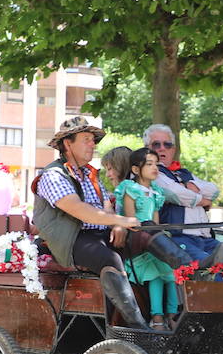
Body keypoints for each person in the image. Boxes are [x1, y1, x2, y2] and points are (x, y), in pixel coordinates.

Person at [32, 116, 190, 331]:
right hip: (71, 242)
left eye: (93, 140)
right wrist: (120, 220)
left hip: (100, 234)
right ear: (68, 144)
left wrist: (116, 224)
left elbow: (105, 204)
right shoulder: (53, 175)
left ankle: (194, 272)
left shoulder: (90, 174)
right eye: (86, 139)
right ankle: (137, 328)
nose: (92, 144)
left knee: (145, 228)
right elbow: (80, 210)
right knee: (111, 258)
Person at [142, 124, 223, 271]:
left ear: (173, 149)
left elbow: (214, 190)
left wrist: (190, 184)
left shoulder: (184, 173)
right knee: (209, 270)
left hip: (206, 239)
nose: (162, 148)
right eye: (156, 144)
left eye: (167, 144)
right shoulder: (150, 173)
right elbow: (175, 194)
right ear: (147, 148)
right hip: (177, 238)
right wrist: (204, 201)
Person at [116, 147, 186, 330]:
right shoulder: (130, 189)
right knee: (156, 274)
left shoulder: (156, 192)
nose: (155, 168)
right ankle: (157, 318)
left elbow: (156, 223)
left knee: (169, 274)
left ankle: (172, 315)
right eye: (149, 164)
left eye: (156, 164)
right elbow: (131, 221)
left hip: (153, 240)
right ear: (136, 169)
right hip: (137, 241)